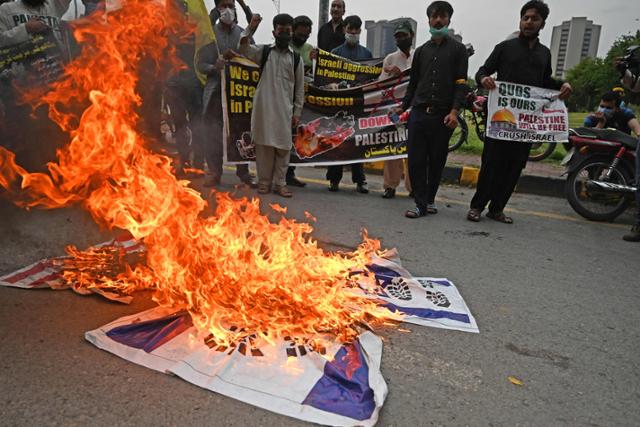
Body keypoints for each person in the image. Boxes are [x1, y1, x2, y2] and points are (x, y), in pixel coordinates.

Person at [466, 0, 572, 224]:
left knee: (514, 167)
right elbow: (483, 70)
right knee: (491, 164)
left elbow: (546, 81)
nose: (529, 22)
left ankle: (497, 209)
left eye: (535, 18)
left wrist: (562, 86)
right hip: (500, 118)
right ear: (520, 20)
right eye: (526, 18)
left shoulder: (544, 54)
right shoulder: (505, 47)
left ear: (542, 23)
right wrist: (484, 79)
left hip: (526, 123)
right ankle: (477, 206)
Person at [395, 2, 468, 217]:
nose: (438, 20)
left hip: (443, 116)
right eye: (434, 16)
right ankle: (419, 204)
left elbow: (461, 84)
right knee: (416, 160)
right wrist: (403, 106)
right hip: (418, 114)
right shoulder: (421, 52)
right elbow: (414, 83)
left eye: (442, 17)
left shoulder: (458, 50)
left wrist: (454, 111)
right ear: (428, 20)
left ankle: (430, 199)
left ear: (448, 20)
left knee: (437, 161)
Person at [238, 13, 305, 197]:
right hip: (264, 108)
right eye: (281, 30)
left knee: (283, 148)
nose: (284, 34)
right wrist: (251, 28)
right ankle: (264, 183)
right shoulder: (264, 52)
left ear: (292, 33)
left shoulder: (296, 59)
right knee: (264, 147)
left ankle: (280, 184)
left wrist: (297, 112)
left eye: (288, 31)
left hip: (285, 110)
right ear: (274, 32)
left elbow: (299, 89)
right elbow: (243, 49)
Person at [198, 0, 255, 187]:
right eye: (223, 6)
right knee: (213, 133)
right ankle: (215, 172)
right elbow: (200, 64)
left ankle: (243, 172)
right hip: (215, 91)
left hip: (238, 94)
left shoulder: (242, 33)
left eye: (231, 5)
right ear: (217, 8)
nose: (228, 10)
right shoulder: (210, 35)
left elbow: (253, 57)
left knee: (240, 132)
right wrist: (215, 67)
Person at [583, 91, 640, 242]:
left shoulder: (625, 114)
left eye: (607, 107)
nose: (603, 109)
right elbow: (590, 134)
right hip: (601, 155)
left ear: (616, 107)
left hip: (622, 154)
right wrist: (601, 121)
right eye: (602, 106)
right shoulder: (593, 117)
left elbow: (636, 127)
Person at [326, 14, 372, 193]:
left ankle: (360, 180)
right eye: (350, 29)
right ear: (345, 29)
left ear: (360, 31)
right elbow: (327, 77)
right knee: (336, 142)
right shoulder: (336, 53)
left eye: (356, 29)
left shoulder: (366, 54)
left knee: (358, 143)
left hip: (358, 105)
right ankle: (334, 179)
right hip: (339, 105)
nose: (353, 32)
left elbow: (371, 78)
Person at [379, 20, 415, 200]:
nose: (401, 39)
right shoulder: (390, 59)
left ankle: (413, 187)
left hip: (415, 109)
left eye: (404, 35)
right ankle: (390, 186)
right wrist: (390, 74)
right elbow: (380, 88)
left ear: (412, 36)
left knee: (414, 149)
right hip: (395, 112)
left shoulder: (420, 56)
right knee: (393, 147)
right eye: (398, 36)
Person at [285, 14, 315, 188]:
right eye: (300, 34)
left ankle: (290, 173)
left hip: (301, 99)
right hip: (284, 96)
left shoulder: (310, 49)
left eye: (306, 35)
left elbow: (313, 74)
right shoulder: (285, 46)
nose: (303, 38)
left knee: (296, 138)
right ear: (293, 31)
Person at [0, 0, 71, 48]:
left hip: (59, 65)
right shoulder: (6, 10)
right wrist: (26, 28)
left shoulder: (54, 4)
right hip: (25, 66)